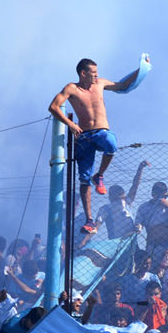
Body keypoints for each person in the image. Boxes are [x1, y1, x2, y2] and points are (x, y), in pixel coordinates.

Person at [48, 58, 143, 227]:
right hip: (83, 136)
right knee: (84, 179)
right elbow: (54, 107)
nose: (96, 75)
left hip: (100, 132)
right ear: (83, 73)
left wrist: (140, 69)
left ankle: (99, 175)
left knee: (110, 143)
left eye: (97, 72)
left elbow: (122, 85)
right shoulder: (72, 88)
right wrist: (71, 124)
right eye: (93, 73)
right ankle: (89, 221)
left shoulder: (100, 84)